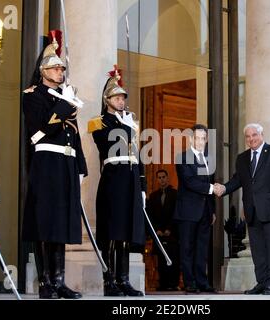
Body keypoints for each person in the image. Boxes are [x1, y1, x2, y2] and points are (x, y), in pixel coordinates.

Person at [22, 32, 87, 299]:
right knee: (45, 223)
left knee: (60, 224)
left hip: (66, 164)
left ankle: (59, 280)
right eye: (56, 68)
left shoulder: (64, 97)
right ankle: (46, 282)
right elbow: (43, 129)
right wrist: (64, 103)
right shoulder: (33, 95)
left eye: (62, 68)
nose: (60, 72)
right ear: (43, 70)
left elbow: (74, 133)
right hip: (46, 162)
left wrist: (81, 166)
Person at [89, 66, 146, 297]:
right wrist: (124, 124)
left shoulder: (130, 123)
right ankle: (110, 280)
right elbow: (107, 144)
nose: (121, 101)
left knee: (126, 233)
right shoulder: (99, 122)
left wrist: (142, 186)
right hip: (113, 179)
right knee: (112, 232)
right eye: (117, 97)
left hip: (131, 180)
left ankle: (123, 279)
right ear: (107, 99)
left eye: (123, 98)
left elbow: (138, 155)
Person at [216, 123, 270, 295]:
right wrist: (224, 188)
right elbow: (238, 180)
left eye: (254, 135)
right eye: (248, 137)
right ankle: (262, 282)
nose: (251, 139)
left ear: (262, 135)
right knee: (257, 250)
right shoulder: (242, 158)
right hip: (252, 211)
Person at [174, 124, 218, 294]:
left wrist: (212, 210)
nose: (200, 141)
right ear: (191, 139)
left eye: (203, 138)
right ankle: (189, 282)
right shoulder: (182, 157)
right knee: (187, 248)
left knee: (202, 248)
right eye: (197, 138)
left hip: (205, 211)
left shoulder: (209, 159)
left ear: (206, 139)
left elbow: (209, 184)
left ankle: (202, 282)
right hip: (187, 211)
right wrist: (212, 188)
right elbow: (189, 181)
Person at [147, 169, 180, 291]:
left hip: (172, 234)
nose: (161, 180)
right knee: (161, 260)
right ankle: (163, 284)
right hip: (159, 234)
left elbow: (177, 213)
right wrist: (157, 230)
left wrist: (170, 229)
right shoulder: (153, 196)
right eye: (159, 177)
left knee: (174, 259)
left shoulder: (175, 194)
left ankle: (173, 283)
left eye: (163, 177)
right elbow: (150, 215)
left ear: (168, 178)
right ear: (157, 180)